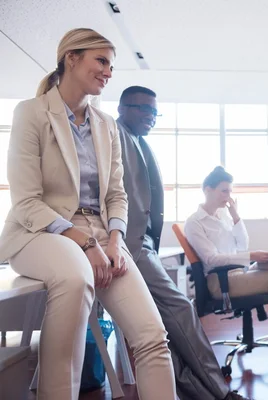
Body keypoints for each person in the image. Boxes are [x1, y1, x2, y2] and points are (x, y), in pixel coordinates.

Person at [0, 29, 176, 399]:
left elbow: (116, 194)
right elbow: (27, 201)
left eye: (111, 65)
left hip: (100, 232)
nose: (108, 72)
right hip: (40, 230)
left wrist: (114, 240)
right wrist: (87, 242)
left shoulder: (106, 125)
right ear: (71, 58)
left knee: (152, 336)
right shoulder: (31, 113)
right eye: (101, 61)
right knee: (77, 277)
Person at [116, 86, 249, 400]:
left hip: (143, 244)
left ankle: (205, 394)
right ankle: (221, 392)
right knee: (179, 311)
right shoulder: (113, 135)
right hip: (129, 244)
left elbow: (240, 244)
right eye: (143, 109)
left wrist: (237, 217)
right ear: (123, 108)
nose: (151, 117)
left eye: (154, 112)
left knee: (159, 328)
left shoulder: (139, 142)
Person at [184, 166, 268, 366]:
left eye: (230, 191)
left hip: (239, 274)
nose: (228, 197)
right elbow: (211, 259)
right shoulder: (194, 222)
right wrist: (252, 256)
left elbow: (242, 244)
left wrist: (236, 216)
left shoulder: (224, 217)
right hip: (221, 282)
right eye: (224, 191)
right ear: (207, 190)